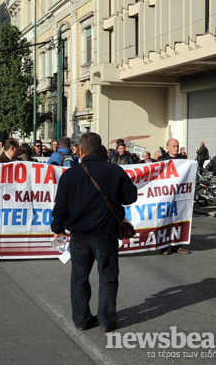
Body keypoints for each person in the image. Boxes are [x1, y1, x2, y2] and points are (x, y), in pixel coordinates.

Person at [51, 132, 138, 332]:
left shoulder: (69, 174)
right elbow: (130, 197)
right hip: (106, 235)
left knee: (79, 278)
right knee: (107, 277)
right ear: (101, 150)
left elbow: (60, 208)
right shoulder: (114, 170)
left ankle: (82, 321)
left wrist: (57, 229)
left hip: (79, 236)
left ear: (80, 150)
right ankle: (107, 322)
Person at [156, 138, 191, 254]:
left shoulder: (183, 160)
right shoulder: (162, 160)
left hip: (179, 195)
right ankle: (164, 247)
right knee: (165, 220)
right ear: (168, 147)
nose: (176, 148)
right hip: (165, 195)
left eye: (177, 146)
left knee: (178, 219)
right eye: (174, 146)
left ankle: (177, 246)